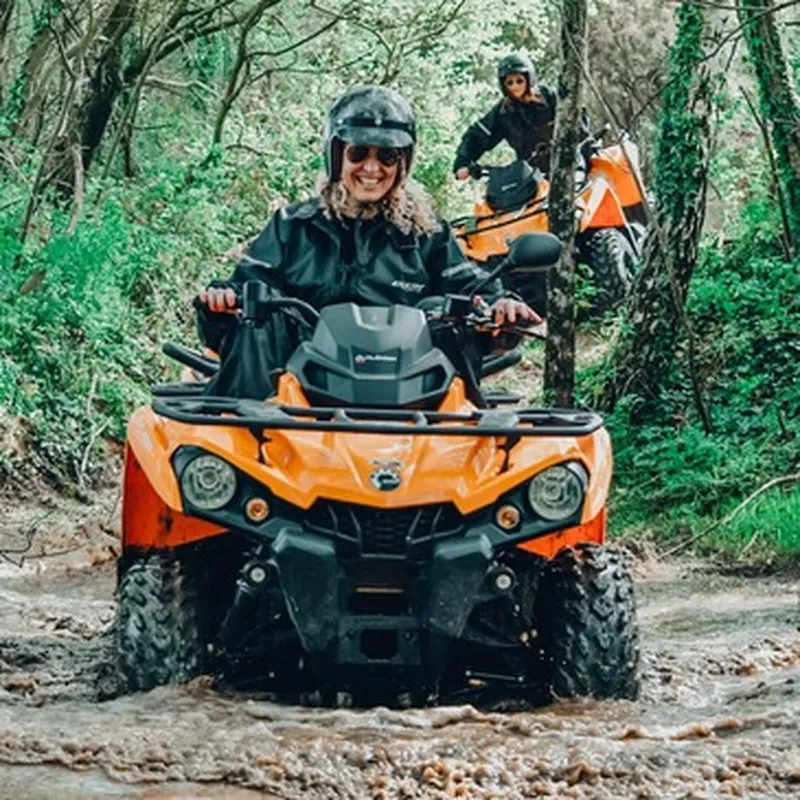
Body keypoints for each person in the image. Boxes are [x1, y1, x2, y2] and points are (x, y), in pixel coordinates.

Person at [197, 85, 539, 383]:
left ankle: (461, 447)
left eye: (387, 156)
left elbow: (472, 288)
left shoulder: (426, 233)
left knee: (443, 312)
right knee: (261, 315)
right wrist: (221, 300)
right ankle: (243, 443)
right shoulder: (292, 226)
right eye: (358, 153)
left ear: (402, 163)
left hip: (416, 397)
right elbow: (243, 292)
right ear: (335, 155)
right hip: (294, 394)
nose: (372, 169)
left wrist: (502, 306)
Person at [453, 53, 557, 180]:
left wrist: (587, 151)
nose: (515, 86)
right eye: (510, 82)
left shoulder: (550, 97)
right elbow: (479, 134)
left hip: (567, 166)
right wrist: (463, 163)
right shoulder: (504, 112)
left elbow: (576, 120)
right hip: (530, 175)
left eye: (519, 81)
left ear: (529, 79)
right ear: (504, 85)